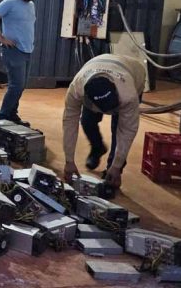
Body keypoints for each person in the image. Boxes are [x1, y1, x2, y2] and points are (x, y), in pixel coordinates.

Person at [62, 54, 146, 189]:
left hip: (132, 71)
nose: (110, 112)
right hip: (96, 69)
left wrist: (116, 166)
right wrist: (69, 161)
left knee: (117, 127)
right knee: (87, 121)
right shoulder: (77, 89)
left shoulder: (128, 96)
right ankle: (98, 148)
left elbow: (127, 131)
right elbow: (69, 122)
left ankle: (111, 172)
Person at [0, 0, 39, 125]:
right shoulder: (9, 3)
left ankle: (11, 113)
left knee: (21, 86)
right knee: (16, 85)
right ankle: (3, 114)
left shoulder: (31, 5)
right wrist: (1, 38)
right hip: (13, 51)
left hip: (27, 50)